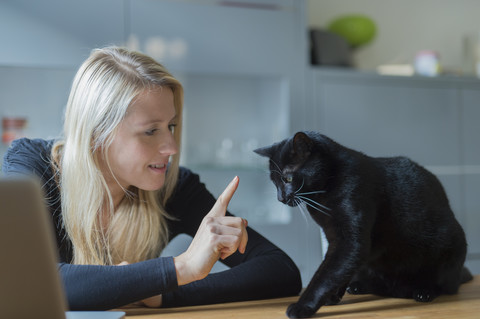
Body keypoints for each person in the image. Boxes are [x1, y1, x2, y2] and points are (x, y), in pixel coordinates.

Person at [2, 47, 301, 310]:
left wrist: (166, 295)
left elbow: (280, 271)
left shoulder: (175, 186)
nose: (171, 147)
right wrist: (179, 269)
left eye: (170, 126)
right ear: (97, 134)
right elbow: (24, 279)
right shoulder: (32, 166)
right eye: (150, 131)